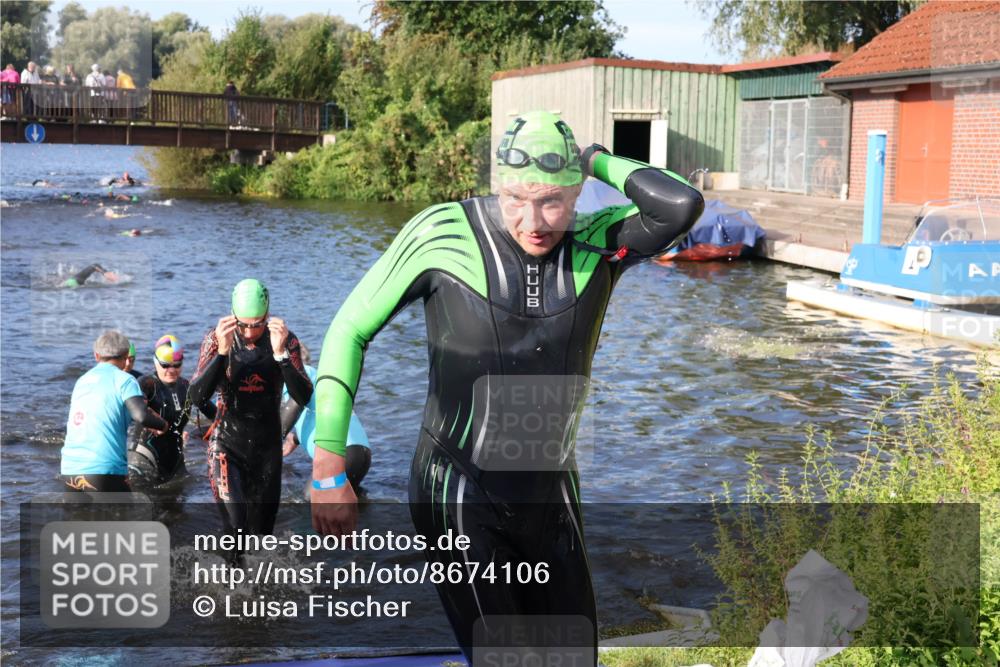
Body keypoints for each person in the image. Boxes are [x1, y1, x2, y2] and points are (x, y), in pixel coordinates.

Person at [310, 111, 703, 662]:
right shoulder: (442, 235)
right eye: (517, 199)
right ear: (498, 186)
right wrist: (329, 467)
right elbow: (349, 329)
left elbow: (681, 205)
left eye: (553, 202)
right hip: (457, 490)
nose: (533, 221)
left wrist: (596, 159)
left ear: (577, 192)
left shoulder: (598, 242)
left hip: (550, 495)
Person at [189, 279, 312, 549]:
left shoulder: (285, 339)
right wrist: (222, 353)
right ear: (232, 315)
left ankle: (256, 577)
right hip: (226, 447)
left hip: (267, 451)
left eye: (257, 324)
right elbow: (196, 396)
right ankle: (227, 576)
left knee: (261, 535)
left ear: (267, 315)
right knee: (236, 528)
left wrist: (280, 355)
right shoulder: (216, 338)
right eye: (242, 324)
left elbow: (304, 396)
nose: (248, 332)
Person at [61, 330, 168, 492]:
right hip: (104, 471)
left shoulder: (82, 381)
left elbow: (105, 413)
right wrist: (162, 425)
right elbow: (141, 415)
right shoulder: (125, 380)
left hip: (69, 469)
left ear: (96, 355)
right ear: (125, 356)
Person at [128, 335, 218, 489]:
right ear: (156, 362)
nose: (171, 370)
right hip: (144, 459)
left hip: (176, 463)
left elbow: (215, 415)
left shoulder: (187, 387)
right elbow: (136, 410)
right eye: (165, 365)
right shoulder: (146, 384)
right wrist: (157, 422)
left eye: (177, 365)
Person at [280, 342, 370, 491]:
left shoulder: (299, 375)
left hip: (341, 453)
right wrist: (295, 439)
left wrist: (267, 444)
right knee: (340, 499)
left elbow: (295, 404)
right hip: (359, 453)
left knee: (312, 499)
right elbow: (315, 415)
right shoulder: (315, 378)